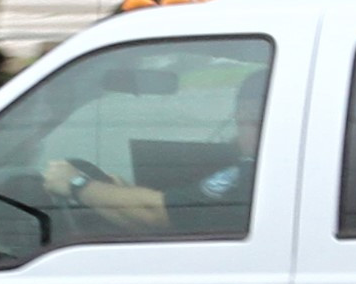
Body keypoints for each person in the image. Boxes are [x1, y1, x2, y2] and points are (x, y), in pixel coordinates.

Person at [41, 69, 263, 234]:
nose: (242, 119)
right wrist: (122, 194)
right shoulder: (261, 170)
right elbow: (179, 209)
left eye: (250, 113)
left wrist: (77, 184)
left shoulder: (250, 175)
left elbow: (157, 213)